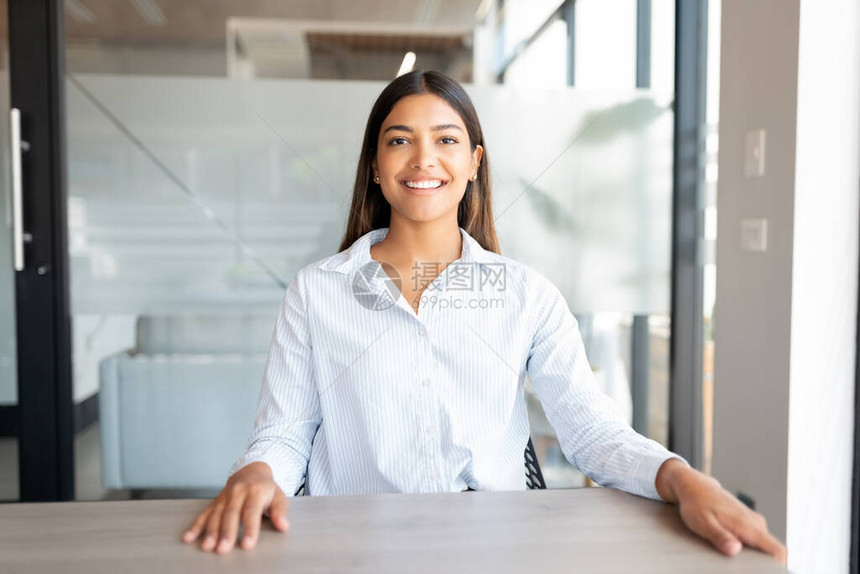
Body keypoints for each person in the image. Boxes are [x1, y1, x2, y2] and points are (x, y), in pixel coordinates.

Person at [182, 70, 787, 565]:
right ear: (374, 164)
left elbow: (593, 435)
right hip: (351, 551)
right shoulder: (316, 293)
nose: (423, 158)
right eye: (399, 140)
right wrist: (256, 473)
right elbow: (285, 432)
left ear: (473, 162)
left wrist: (684, 480)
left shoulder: (526, 295)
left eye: (446, 140)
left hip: (496, 551)